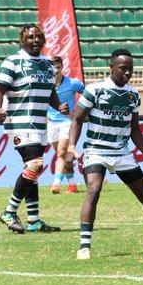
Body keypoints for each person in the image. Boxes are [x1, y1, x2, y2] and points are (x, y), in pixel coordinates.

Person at [66, 49, 143, 259]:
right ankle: (84, 246)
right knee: (94, 190)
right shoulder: (95, 90)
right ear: (111, 67)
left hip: (122, 153)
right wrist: (71, 147)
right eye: (123, 68)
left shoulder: (133, 95)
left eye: (130, 69)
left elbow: (135, 129)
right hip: (96, 151)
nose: (127, 73)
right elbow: (77, 119)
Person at [0, 24, 68, 234]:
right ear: (22, 40)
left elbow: (50, 91)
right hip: (20, 121)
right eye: (30, 37)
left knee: (32, 169)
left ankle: (34, 220)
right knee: (35, 164)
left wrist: (59, 104)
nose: (35, 40)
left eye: (39, 37)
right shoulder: (12, 61)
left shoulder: (47, 63)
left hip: (39, 122)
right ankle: (9, 211)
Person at [47, 56, 85, 194]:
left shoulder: (72, 83)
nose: (56, 70)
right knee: (65, 157)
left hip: (67, 122)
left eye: (58, 67)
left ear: (62, 67)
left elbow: (87, 94)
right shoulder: (47, 84)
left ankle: (56, 184)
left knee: (61, 152)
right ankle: (72, 184)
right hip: (51, 123)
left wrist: (78, 111)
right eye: (53, 68)